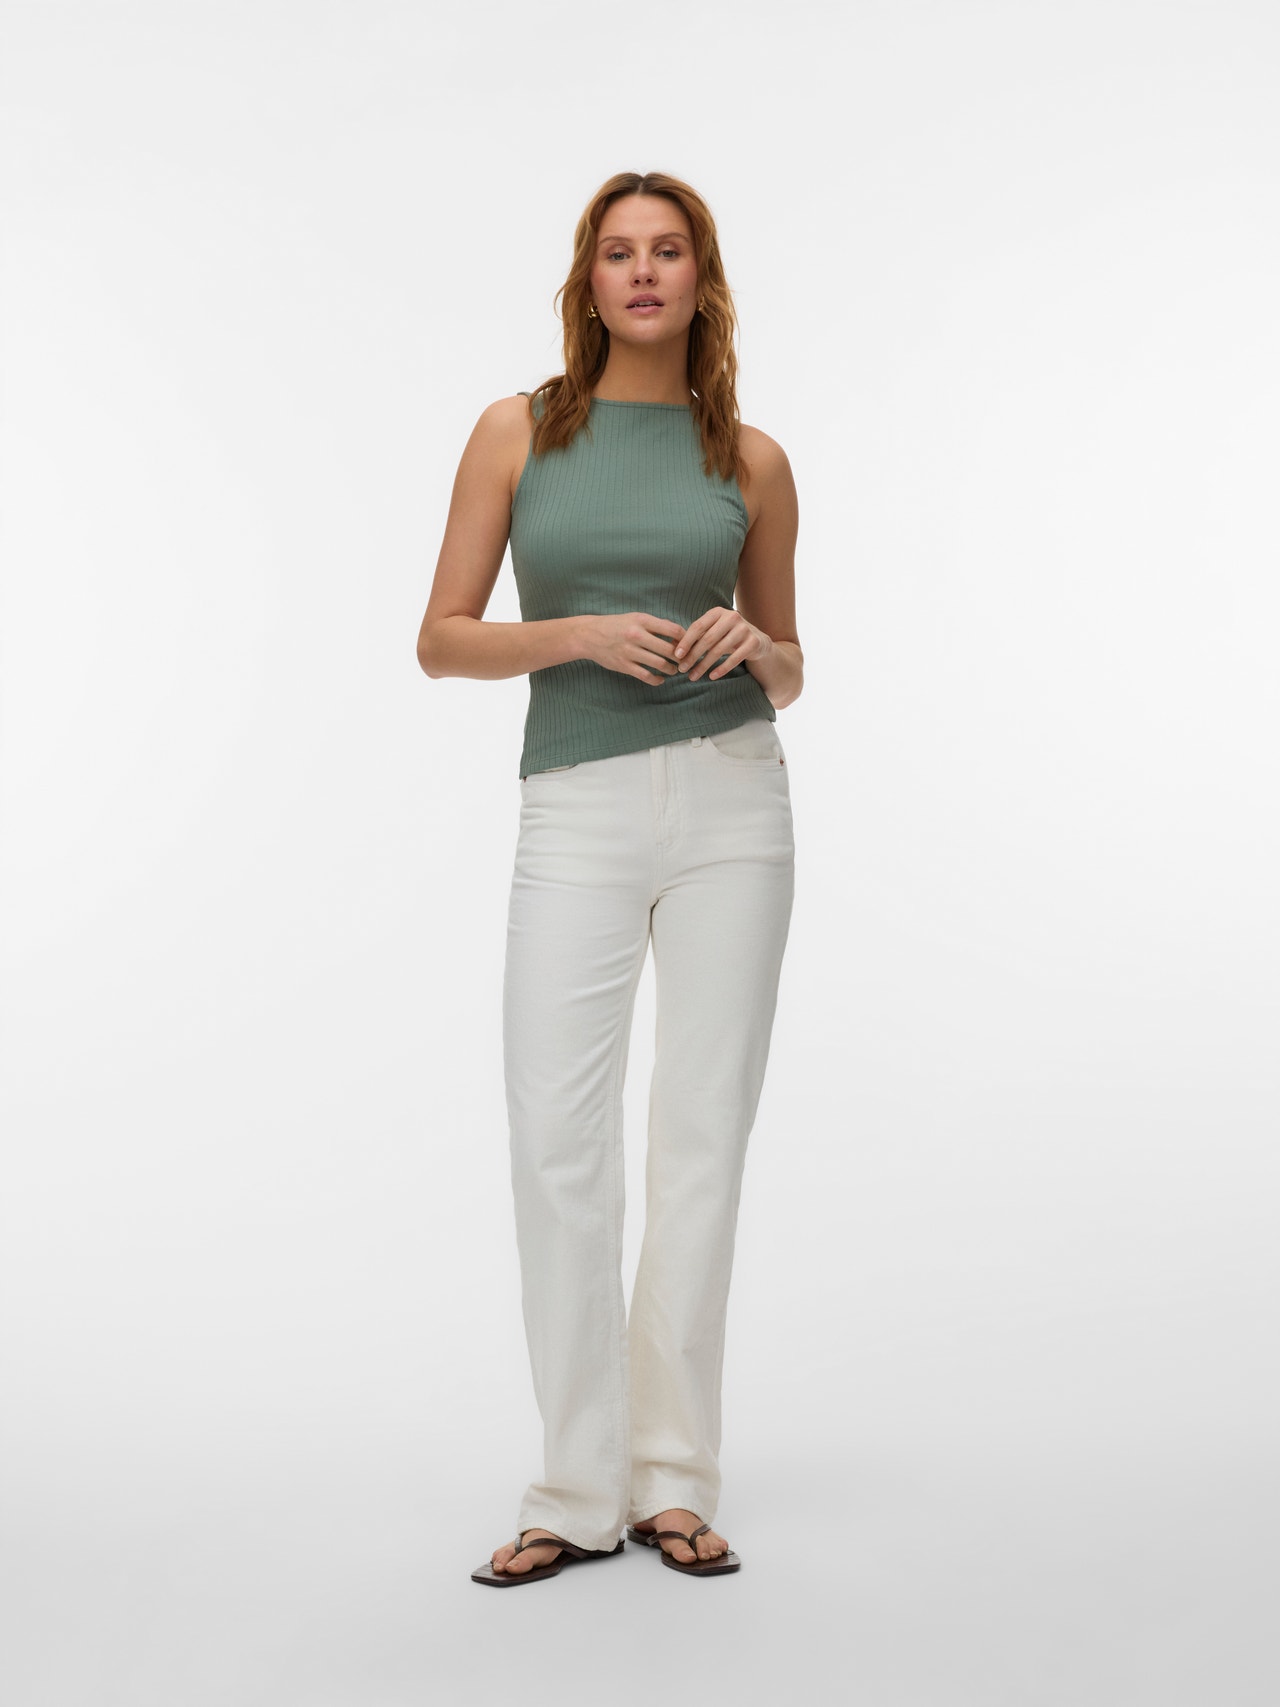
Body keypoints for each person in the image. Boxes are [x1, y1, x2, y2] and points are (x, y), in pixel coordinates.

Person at [416, 170, 803, 1585]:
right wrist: (576, 635)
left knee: (702, 1139)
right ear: (588, 281)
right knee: (556, 1141)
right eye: (619, 252)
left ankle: (673, 1482)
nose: (643, 272)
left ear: (702, 280)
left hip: (732, 801)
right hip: (576, 806)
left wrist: (758, 651)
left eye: (669, 251)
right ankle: (575, 1490)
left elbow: (792, 662)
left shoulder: (750, 457)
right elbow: (442, 638)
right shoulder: (517, 431)